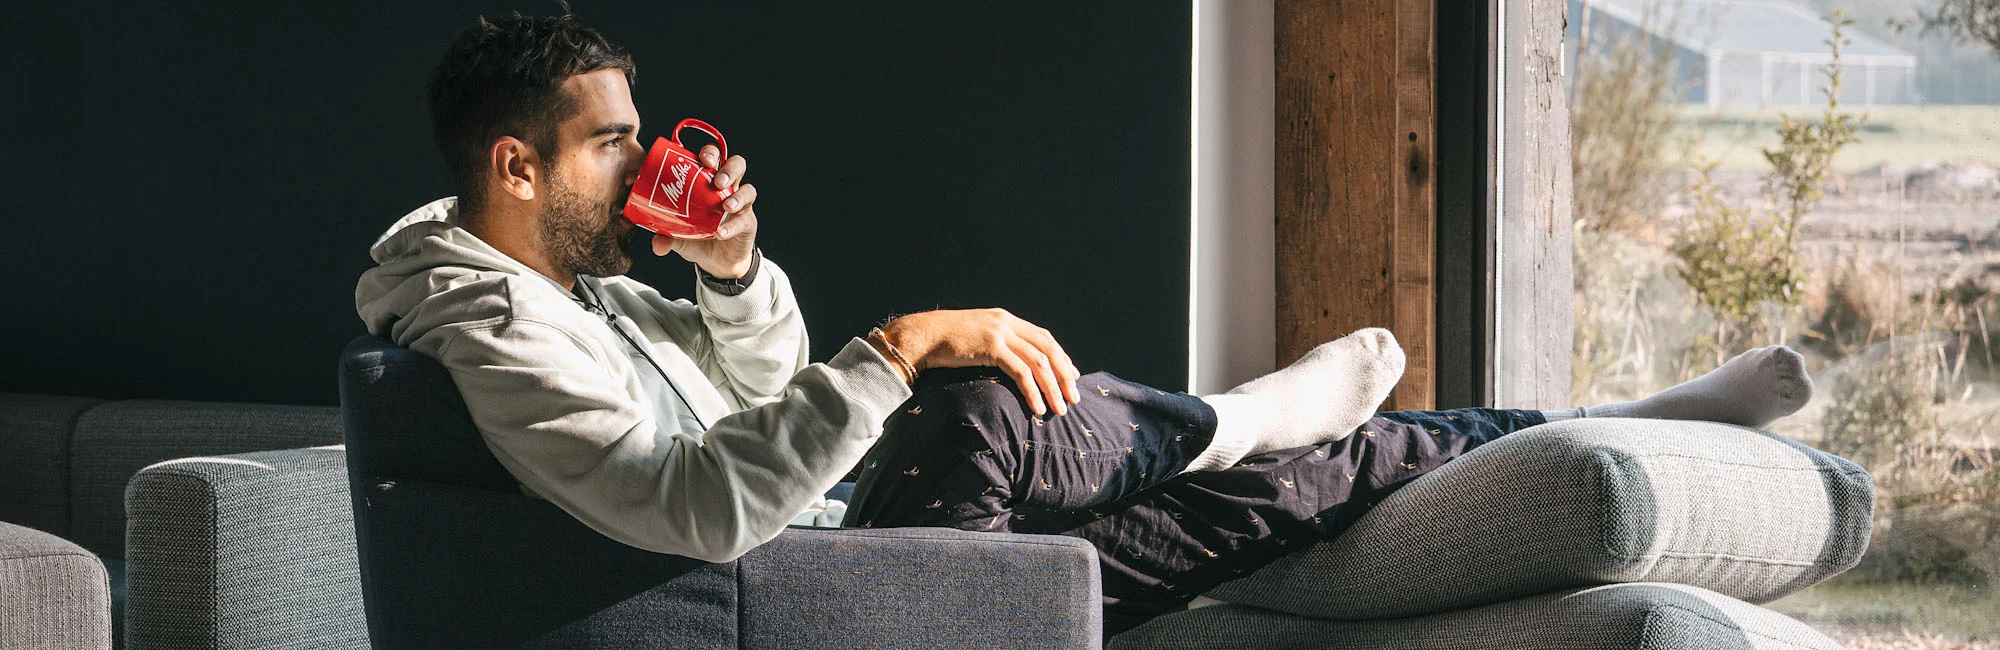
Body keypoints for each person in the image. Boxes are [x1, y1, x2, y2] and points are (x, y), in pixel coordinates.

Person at [354, 11, 1817, 638]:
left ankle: (1592, 426)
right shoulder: (495, 331)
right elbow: (697, 505)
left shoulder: (576, 291)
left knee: (1290, 480)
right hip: (817, 601)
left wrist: (730, 274)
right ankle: (1253, 406)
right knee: (981, 399)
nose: (643, 159)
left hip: (861, 556)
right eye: (612, 141)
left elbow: (767, 398)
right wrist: (907, 339)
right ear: (516, 165)